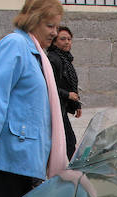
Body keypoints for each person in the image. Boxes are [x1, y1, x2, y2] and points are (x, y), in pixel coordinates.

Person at [0, 0, 68, 197]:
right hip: (7, 156)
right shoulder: (15, 43)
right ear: (33, 21)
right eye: (50, 26)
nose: (55, 32)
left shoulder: (35, 53)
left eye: (56, 27)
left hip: (22, 157)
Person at [47, 25, 82, 160]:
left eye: (69, 39)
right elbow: (50, 85)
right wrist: (68, 95)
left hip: (62, 106)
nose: (67, 42)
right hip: (55, 108)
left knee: (69, 141)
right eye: (63, 39)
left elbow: (71, 83)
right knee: (68, 142)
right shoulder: (53, 59)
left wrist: (76, 104)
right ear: (55, 41)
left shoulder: (65, 59)